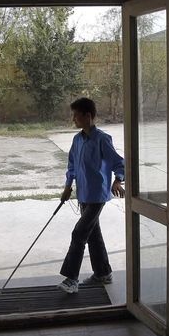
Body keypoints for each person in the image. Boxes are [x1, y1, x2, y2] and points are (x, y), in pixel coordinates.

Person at [57, 97, 125, 294]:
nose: (74, 119)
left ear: (88, 116)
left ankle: (71, 279)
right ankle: (103, 273)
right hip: (83, 195)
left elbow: (118, 162)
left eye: (76, 115)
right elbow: (72, 166)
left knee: (79, 233)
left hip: (97, 196)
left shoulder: (102, 139)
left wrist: (118, 179)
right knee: (93, 235)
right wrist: (68, 186)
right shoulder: (77, 140)